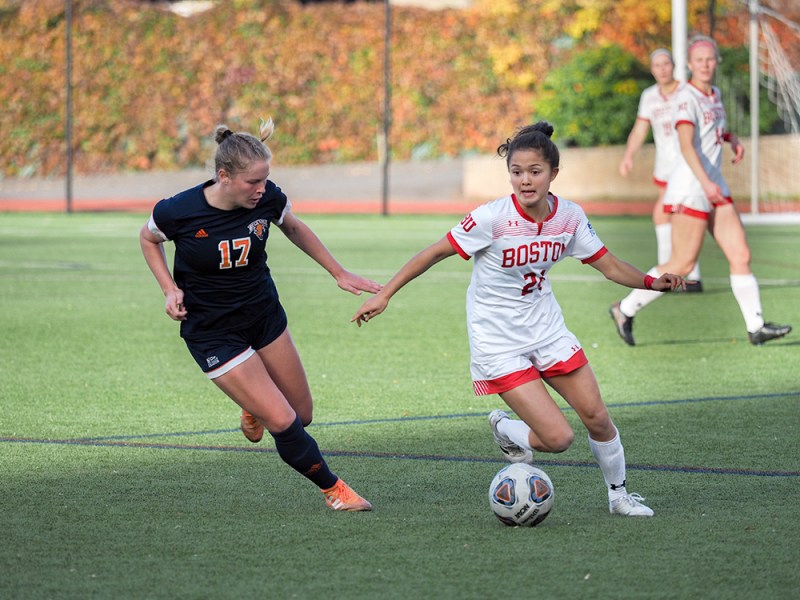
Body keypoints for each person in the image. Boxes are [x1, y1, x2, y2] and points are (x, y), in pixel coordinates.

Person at [352, 121, 686, 517]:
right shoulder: (491, 217)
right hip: (498, 343)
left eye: (535, 172)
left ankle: (619, 496)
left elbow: (610, 266)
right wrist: (386, 293)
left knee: (597, 417)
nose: (525, 181)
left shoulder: (570, 218)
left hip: (547, 329)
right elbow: (434, 252)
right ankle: (506, 428)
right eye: (516, 172)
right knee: (558, 439)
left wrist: (652, 281)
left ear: (553, 174)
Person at [140, 118, 379, 511]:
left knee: (302, 414)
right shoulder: (178, 210)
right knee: (284, 421)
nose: (262, 189)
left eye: (265, 180)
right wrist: (169, 288)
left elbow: (294, 228)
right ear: (224, 177)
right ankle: (335, 491)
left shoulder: (267, 199)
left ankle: (253, 403)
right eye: (253, 182)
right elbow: (148, 238)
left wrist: (338, 272)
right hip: (212, 331)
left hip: (263, 314)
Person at [610, 36, 792, 346]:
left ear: (716, 61)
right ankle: (624, 309)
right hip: (691, 188)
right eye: (699, 60)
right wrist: (706, 183)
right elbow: (685, 144)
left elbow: (712, 130)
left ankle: (756, 326)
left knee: (741, 254)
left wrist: (731, 138)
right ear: (690, 65)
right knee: (680, 265)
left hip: (713, 185)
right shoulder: (686, 98)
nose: (706, 64)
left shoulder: (715, 94)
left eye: (710, 59)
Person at [619, 48, 703, 292]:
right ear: (652, 69)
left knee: (670, 215)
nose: (662, 68)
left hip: (687, 167)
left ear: (674, 65)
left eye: (666, 63)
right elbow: (639, 129)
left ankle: (675, 274)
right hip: (665, 167)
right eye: (657, 65)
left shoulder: (688, 92)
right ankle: (680, 275)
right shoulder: (649, 96)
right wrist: (628, 155)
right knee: (670, 216)